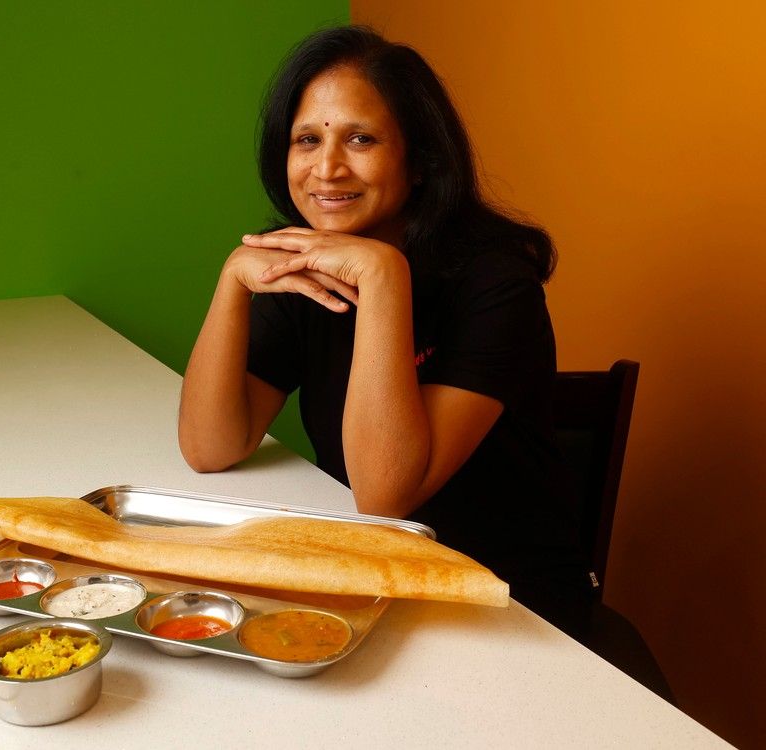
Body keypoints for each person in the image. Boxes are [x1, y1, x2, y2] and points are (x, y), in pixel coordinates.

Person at [177, 25, 594, 636]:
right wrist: (232, 283)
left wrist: (382, 278)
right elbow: (210, 448)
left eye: (361, 139)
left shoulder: (497, 284)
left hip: (510, 607)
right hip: (378, 582)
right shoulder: (309, 267)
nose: (326, 167)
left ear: (420, 160)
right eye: (307, 139)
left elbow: (385, 496)